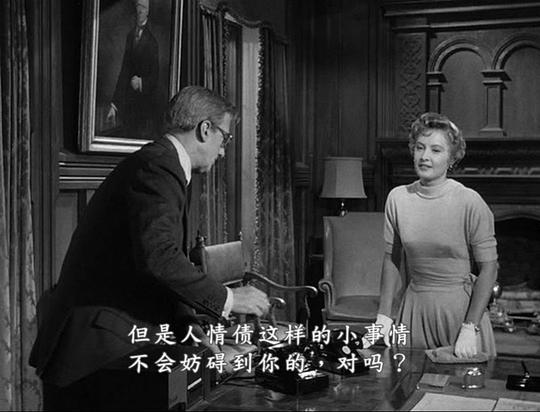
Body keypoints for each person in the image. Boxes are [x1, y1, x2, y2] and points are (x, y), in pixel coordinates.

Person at [30, 86, 270, 397]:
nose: (223, 151)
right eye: (225, 139)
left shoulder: (161, 164)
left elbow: (157, 268)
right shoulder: (158, 167)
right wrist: (229, 298)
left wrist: (191, 330)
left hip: (108, 339)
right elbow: (159, 258)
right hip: (95, 350)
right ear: (205, 129)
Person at [365, 112, 498, 359]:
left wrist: (470, 327)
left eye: (436, 150)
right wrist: (383, 316)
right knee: (405, 379)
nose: (425, 156)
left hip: (459, 313)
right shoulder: (398, 198)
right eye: (420, 148)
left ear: (451, 158)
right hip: (413, 310)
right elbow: (392, 259)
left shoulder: (469, 201)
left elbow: (489, 269)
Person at [106, 0, 159, 138]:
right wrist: (114, 105)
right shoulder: (130, 36)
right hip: (127, 103)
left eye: (143, 8)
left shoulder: (152, 41)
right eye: (138, 7)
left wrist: (141, 83)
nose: (139, 11)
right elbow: (124, 71)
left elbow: (155, 77)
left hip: (144, 106)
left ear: (147, 11)